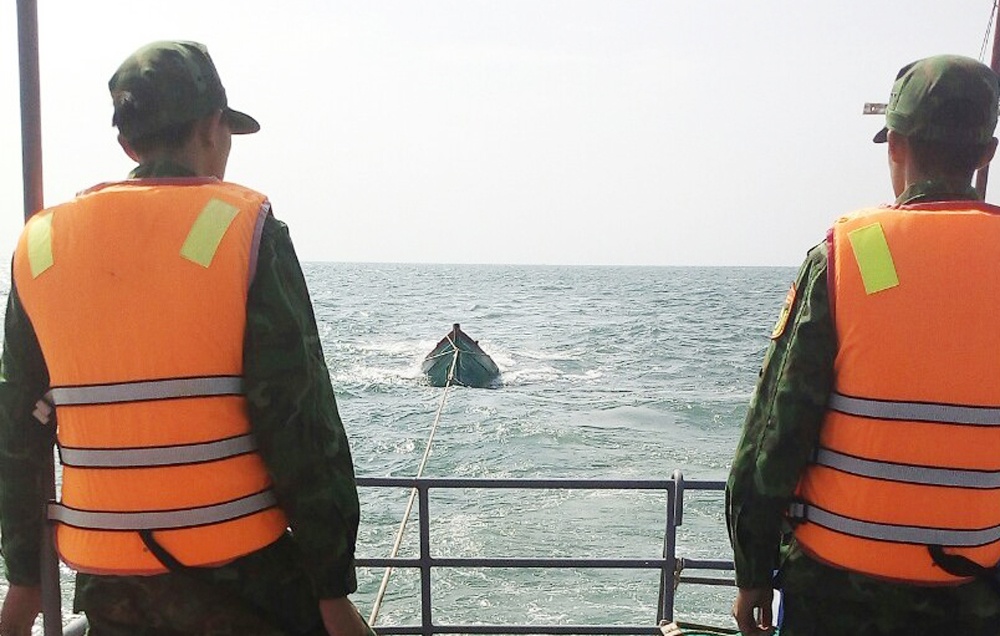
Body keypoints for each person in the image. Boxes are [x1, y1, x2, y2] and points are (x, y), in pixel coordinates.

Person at [0, 41, 373, 636]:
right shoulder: (247, 231)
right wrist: (333, 589)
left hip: (111, 589)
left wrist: (22, 582)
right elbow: (301, 423)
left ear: (127, 143)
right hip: (245, 580)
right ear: (212, 127)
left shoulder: (40, 248)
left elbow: (17, 432)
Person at [727, 54, 1000, 636]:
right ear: (987, 153)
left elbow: (776, 433)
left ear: (895, 145)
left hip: (836, 594)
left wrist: (752, 569)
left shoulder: (859, 253)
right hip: (976, 598)